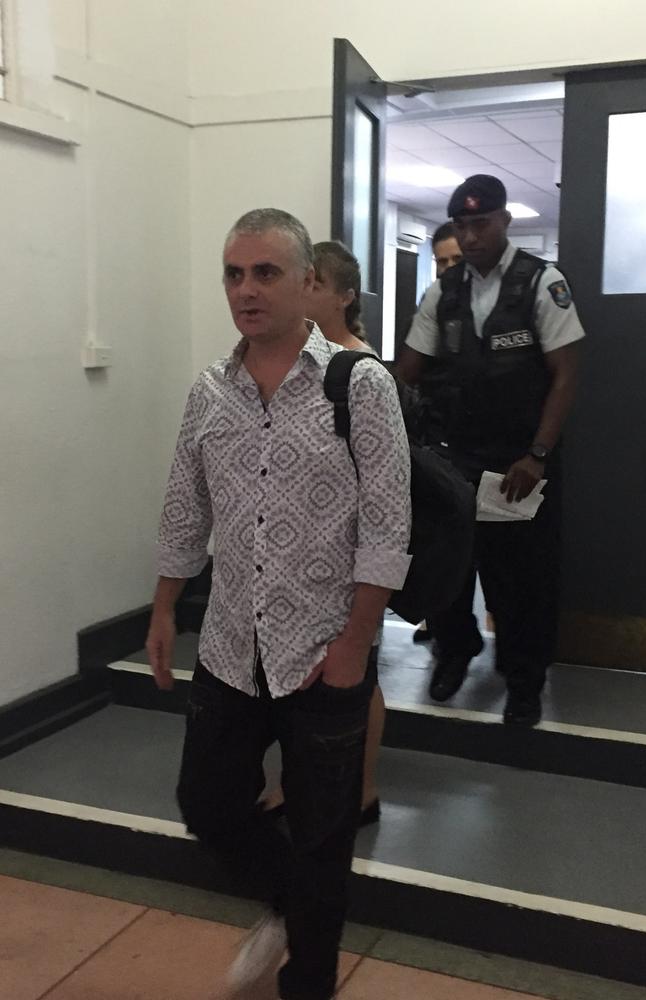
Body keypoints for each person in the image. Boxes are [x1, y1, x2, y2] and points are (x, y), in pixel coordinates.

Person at [146, 209, 411, 1000]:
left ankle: (308, 980)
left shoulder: (359, 385)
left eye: (265, 273)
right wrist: (163, 608)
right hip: (230, 644)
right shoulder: (209, 392)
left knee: (326, 839)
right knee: (206, 801)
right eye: (234, 273)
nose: (246, 290)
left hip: (323, 655)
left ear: (307, 284)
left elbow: (389, 524)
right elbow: (184, 510)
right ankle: (285, 900)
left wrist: (356, 647)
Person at [397, 174, 585, 727]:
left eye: (481, 223)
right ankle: (455, 650)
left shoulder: (540, 283)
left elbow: (566, 377)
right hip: (456, 457)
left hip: (518, 462)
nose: (472, 235)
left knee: (522, 579)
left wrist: (539, 454)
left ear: (504, 220)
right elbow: (409, 369)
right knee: (449, 567)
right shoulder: (445, 291)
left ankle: (524, 680)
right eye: (462, 225)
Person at [261, 239, 385, 827]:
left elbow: (382, 488)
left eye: (314, 285)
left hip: (352, 557)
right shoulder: (293, 364)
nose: (302, 294)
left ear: (342, 296)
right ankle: (300, 782)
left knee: (363, 674)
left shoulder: (362, 370)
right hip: (297, 558)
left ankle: (361, 789)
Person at [413, 222, 464, 644]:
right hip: (439, 441)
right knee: (444, 547)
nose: (447, 269)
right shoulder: (430, 306)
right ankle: (445, 631)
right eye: (441, 261)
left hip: (490, 448)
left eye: (456, 261)